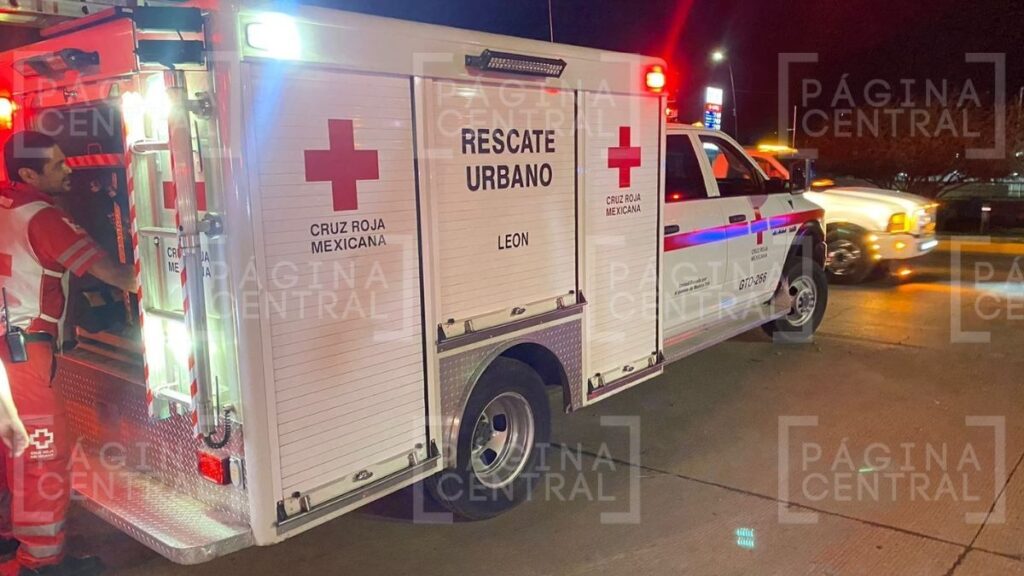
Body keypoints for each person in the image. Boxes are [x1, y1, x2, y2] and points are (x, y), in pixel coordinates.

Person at [0, 131, 136, 575]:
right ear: (28, 174)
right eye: (57, 164)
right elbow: (115, 274)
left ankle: (7, 537)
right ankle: (42, 562)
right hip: (24, 355)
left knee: (9, 450)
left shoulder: (6, 205)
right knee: (43, 457)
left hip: (8, 351)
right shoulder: (44, 219)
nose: (68, 169)